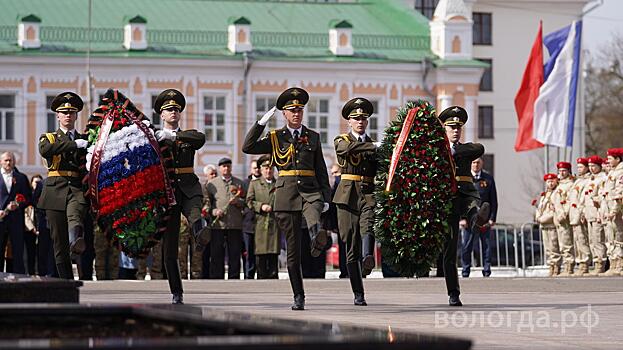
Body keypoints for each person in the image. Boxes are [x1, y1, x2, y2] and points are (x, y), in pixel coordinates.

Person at [242, 87, 331, 310]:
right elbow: (247, 147)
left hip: (310, 190)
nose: (296, 114)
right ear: (284, 113)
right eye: (292, 110)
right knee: (293, 253)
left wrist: (326, 196)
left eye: (299, 110)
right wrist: (260, 123)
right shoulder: (275, 137)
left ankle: (315, 236)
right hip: (286, 195)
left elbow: (321, 169)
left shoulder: (313, 136)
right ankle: (298, 295)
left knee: (314, 211)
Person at [153, 88, 210, 304]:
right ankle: (177, 291)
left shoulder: (188, 135)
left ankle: (199, 232)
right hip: (167, 191)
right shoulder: (156, 138)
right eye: (169, 110)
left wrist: (174, 135)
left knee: (195, 213)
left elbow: (200, 138)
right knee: (170, 248)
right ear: (162, 114)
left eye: (176, 109)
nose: (173, 112)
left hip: (189, 186)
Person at [439, 106, 489, 307]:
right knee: (450, 250)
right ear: (445, 129)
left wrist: (454, 150)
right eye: (451, 127)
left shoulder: (466, 148)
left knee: (473, 208)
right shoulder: (439, 151)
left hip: (466, 192)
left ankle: (477, 220)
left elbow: (479, 148)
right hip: (448, 198)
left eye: (458, 127)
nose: (455, 130)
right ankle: (453, 293)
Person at [37, 92, 89, 279]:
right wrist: (74, 145)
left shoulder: (85, 138)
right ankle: (66, 281)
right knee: (59, 243)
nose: (68, 115)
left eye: (71, 112)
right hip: (54, 189)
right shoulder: (49, 137)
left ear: (76, 116)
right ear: (57, 116)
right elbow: (45, 151)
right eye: (64, 112)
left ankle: (76, 239)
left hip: (75, 187)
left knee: (77, 212)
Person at [333, 97, 378, 306]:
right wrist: (372, 146)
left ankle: (368, 257)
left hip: (368, 193)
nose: (360, 121)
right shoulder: (341, 139)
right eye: (356, 118)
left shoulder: (373, 144)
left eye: (363, 118)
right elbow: (346, 150)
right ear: (349, 121)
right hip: (347, 196)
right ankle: (358, 292)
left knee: (368, 226)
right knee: (350, 245)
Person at [204, 157, 246, 279]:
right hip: (218, 225)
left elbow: (247, 202)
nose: (226, 168)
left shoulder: (239, 183)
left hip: (234, 223)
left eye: (228, 166)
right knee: (217, 253)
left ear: (231, 167)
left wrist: (238, 201)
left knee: (234, 252)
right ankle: (217, 277)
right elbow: (207, 203)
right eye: (223, 166)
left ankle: (234, 277)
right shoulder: (212, 184)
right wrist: (213, 211)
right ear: (220, 168)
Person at [461, 157, 498, 278]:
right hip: (469, 219)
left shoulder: (488, 179)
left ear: (481, 164)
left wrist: (492, 218)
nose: (475, 165)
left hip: (484, 220)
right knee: (467, 246)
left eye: (478, 162)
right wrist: (462, 218)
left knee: (486, 246)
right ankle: (466, 270)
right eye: (473, 162)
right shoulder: (465, 179)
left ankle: (487, 270)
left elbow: (493, 200)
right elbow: (461, 199)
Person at [246, 155, 280, 279]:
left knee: (273, 252)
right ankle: (261, 277)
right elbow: (249, 201)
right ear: (261, 169)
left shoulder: (279, 184)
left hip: (275, 223)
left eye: (270, 168)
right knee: (260, 253)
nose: (268, 171)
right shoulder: (254, 184)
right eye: (265, 168)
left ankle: (273, 276)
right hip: (260, 223)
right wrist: (260, 206)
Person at [0, 152, 31, 274]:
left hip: (16, 220)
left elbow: (28, 198)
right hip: (1, 220)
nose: (8, 163)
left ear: (14, 162)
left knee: (18, 250)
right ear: (1, 162)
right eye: (6, 160)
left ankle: (19, 277)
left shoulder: (21, 178)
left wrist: (18, 204)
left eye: (11, 160)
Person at [583, 156, 607, 274]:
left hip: (598, 213)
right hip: (589, 213)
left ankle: (601, 264)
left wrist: (595, 198)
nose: (591, 168)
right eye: (590, 166)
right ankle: (596, 261)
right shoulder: (591, 179)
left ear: (599, 166)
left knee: (598, 239)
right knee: (592, 241)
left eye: (594, 166)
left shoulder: (602, 178)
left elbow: (604, 195)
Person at [568, 157, 591, 276]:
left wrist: (582, 213)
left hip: (580, 214)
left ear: (587, 168)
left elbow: (583, 200)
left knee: (583, 240)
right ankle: (580, 263)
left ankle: (585, 264)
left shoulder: (588, 180)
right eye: (578, 167)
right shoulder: (577, 181)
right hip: (574, 215)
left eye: (581, 167)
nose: (579, 169)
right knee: (577, 241)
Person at [603, 148, 623, 276]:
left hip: (616, 209)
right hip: (609, 209)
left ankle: (619, 264)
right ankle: (614, 263)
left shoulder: (620, 172)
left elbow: (619, 193)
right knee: (611, 236)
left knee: (618, 236)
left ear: (618, 159)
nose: (608, 161)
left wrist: (615, 210)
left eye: (610, 158)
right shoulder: (613, 172)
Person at [536, 173, 561, 276]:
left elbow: (553, 211)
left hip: (551, 224)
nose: (550, 183)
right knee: (547, 248)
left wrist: (542, 219)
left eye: (552, 181)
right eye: (548, 181)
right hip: (544, 225)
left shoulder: (556, 193)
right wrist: (537, 217)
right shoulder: (544, 195)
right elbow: (539, 208)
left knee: (554, 246)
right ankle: (550, 265)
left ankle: (556, 266)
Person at [242, 159, 261, 279]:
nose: (257, 170)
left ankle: (260, 274)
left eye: (258, 168)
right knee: (248, 251)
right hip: (248, 222)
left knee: (260, 251)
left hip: (261, 222)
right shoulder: (245, 183)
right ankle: (248, 275)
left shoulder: (266, 182)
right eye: (255, 168)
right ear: (251, 169)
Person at [24, 175, 43, 275]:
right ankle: (30, 272)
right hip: (30, 229)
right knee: (29, 253)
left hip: (41, 228)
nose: (38, 184)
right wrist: (32, 228)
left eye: (40, 182)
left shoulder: (43, 196)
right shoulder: (29, 196)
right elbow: (25, 214)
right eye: (36, 182)